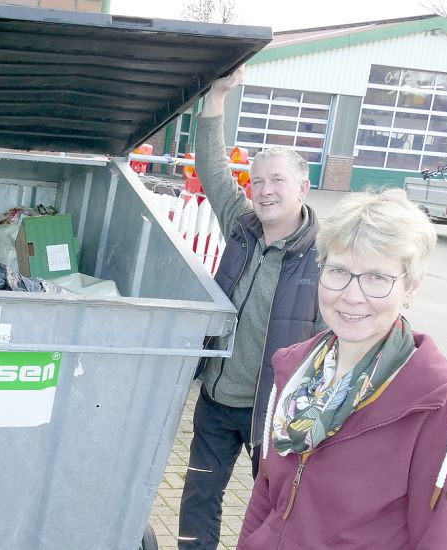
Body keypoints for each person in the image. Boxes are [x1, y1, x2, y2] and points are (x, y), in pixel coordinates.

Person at [240, 189, 447, 548]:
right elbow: (265, 495)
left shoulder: (439, 406)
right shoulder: (294, 371)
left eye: (377, 278)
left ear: (411, 288)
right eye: (338, 271)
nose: (352, 295)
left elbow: (443, 538)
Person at [178, 66, 324, 549]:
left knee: (275, 511)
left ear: (302, 188)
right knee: (199, 497)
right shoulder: (241, 228)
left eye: (277, 180)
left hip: (276, 413)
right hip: (218, 403)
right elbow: (213, 167)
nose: (264, 190)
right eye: (258, 180)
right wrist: (216, 99)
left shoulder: (326, 259)